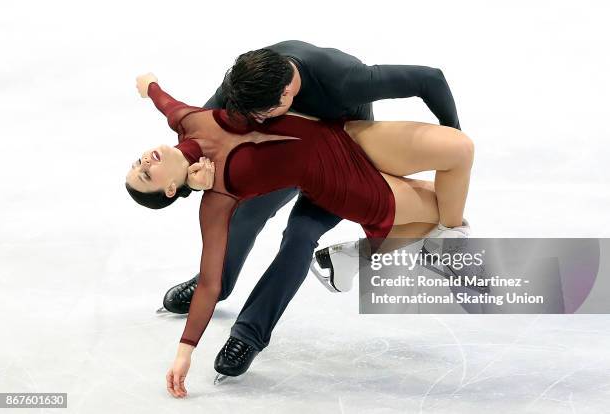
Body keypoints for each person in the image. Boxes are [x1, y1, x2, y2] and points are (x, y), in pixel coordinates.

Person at [125, 73, 474, 397]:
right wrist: (185, 351)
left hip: (344, 140)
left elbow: (163, 99)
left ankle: (353, 261)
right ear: (170, 189)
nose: (143, 162)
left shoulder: (186, 120)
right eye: (145, 174)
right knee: (444, 214)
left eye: (136, 163)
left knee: (458, 151)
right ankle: (385, 251)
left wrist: (149, 86)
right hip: (332, 180)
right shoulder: (216, 196)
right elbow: (209, 282)